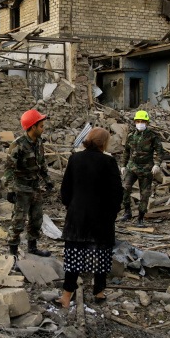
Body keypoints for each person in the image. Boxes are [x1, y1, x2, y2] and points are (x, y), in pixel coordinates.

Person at [57, 128, 123, 308]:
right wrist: (112, 213)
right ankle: (99, 292)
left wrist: (71, 206)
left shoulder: (75, 158)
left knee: (73, 256)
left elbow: (65, 189)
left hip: (77, 216)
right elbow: (116, 192)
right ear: (104, 143)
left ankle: (66, 296)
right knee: (101, 256)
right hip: (101, 218)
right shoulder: (108, 161)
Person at [2, 109, 53, 258]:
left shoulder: (39, 142)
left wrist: (48, 180)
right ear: (33, 127)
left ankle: (32, 248)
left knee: (36, 220)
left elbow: (42, 164)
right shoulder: (17, 145)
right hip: (21, 188)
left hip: (35, 187)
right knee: (18, 222)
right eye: (41, 126)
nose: (43, 129)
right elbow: (9, 169)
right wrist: (10, 190)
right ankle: (13, 254)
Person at [121, 110, 165, 227]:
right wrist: (123, 165)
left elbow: (160, 151)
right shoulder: (131, 135)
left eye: (143, 121)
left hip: (146, 168)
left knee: (144, 194)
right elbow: (126, 151)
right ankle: (127, 212)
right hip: (132, 167)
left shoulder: (153, 136)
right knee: (125, 188)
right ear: (135, 122)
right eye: (138, 121)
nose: (140, 123)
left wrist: (157, 164)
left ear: (147, 123)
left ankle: (140, 218)